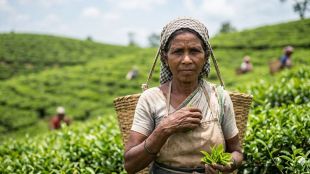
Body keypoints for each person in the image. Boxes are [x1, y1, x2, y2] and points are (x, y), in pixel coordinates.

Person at [124, 17, 243, 174]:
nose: (186, 60)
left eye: (194, 51)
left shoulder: (219, 97)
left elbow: (237, 152)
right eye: (178, 52)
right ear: (165, 58)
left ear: (206, 56)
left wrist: (228, 164)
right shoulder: (150, 99)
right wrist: (165, 128)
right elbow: (131, 165)